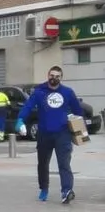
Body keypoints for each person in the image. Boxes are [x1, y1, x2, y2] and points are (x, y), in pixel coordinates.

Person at [15, 66, 83, 204]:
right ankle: (44, 188)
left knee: (64, 163)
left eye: (57, 76)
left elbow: (78, 111)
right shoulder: (39, 92)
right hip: (44, 133)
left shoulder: (68, 92)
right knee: (43, 163)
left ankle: (66, 191)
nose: (54, 78)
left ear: (61, 78)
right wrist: (20, 120)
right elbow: (28, 106)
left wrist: (78, 126)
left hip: (63, 134)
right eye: (52, 75)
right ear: (48, 75)